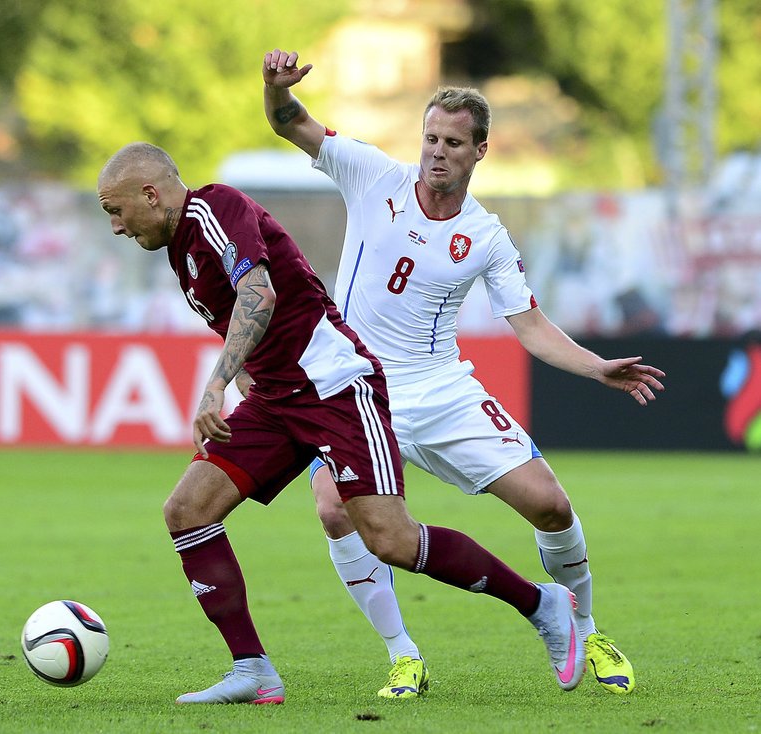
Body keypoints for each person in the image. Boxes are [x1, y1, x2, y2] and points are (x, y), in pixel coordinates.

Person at [97, 141, 588, 705]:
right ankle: (253, 669)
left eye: (115, 209)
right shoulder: (178, 247)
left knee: (392, 540)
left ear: (151, 193)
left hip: (335, 389)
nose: (114, 224)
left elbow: (258, 290)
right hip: (278, 398)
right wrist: (246, 383)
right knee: (187, 511)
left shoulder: (214, 209)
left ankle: (541, 603)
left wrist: (215, 382)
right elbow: (252, 316)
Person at [261, 48, 667, 698]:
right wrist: (276, 92)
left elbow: (529, 325)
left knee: (551, 504)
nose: (437, 151)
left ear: (481, 150)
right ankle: (403, 655)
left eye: (453, 142)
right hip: (355, 391)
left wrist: (597, 368)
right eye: (430, 138)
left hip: (440, 389)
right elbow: (290, 123)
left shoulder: (486, 237)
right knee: (335, 512)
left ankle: (586, 629)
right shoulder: (371, 174)